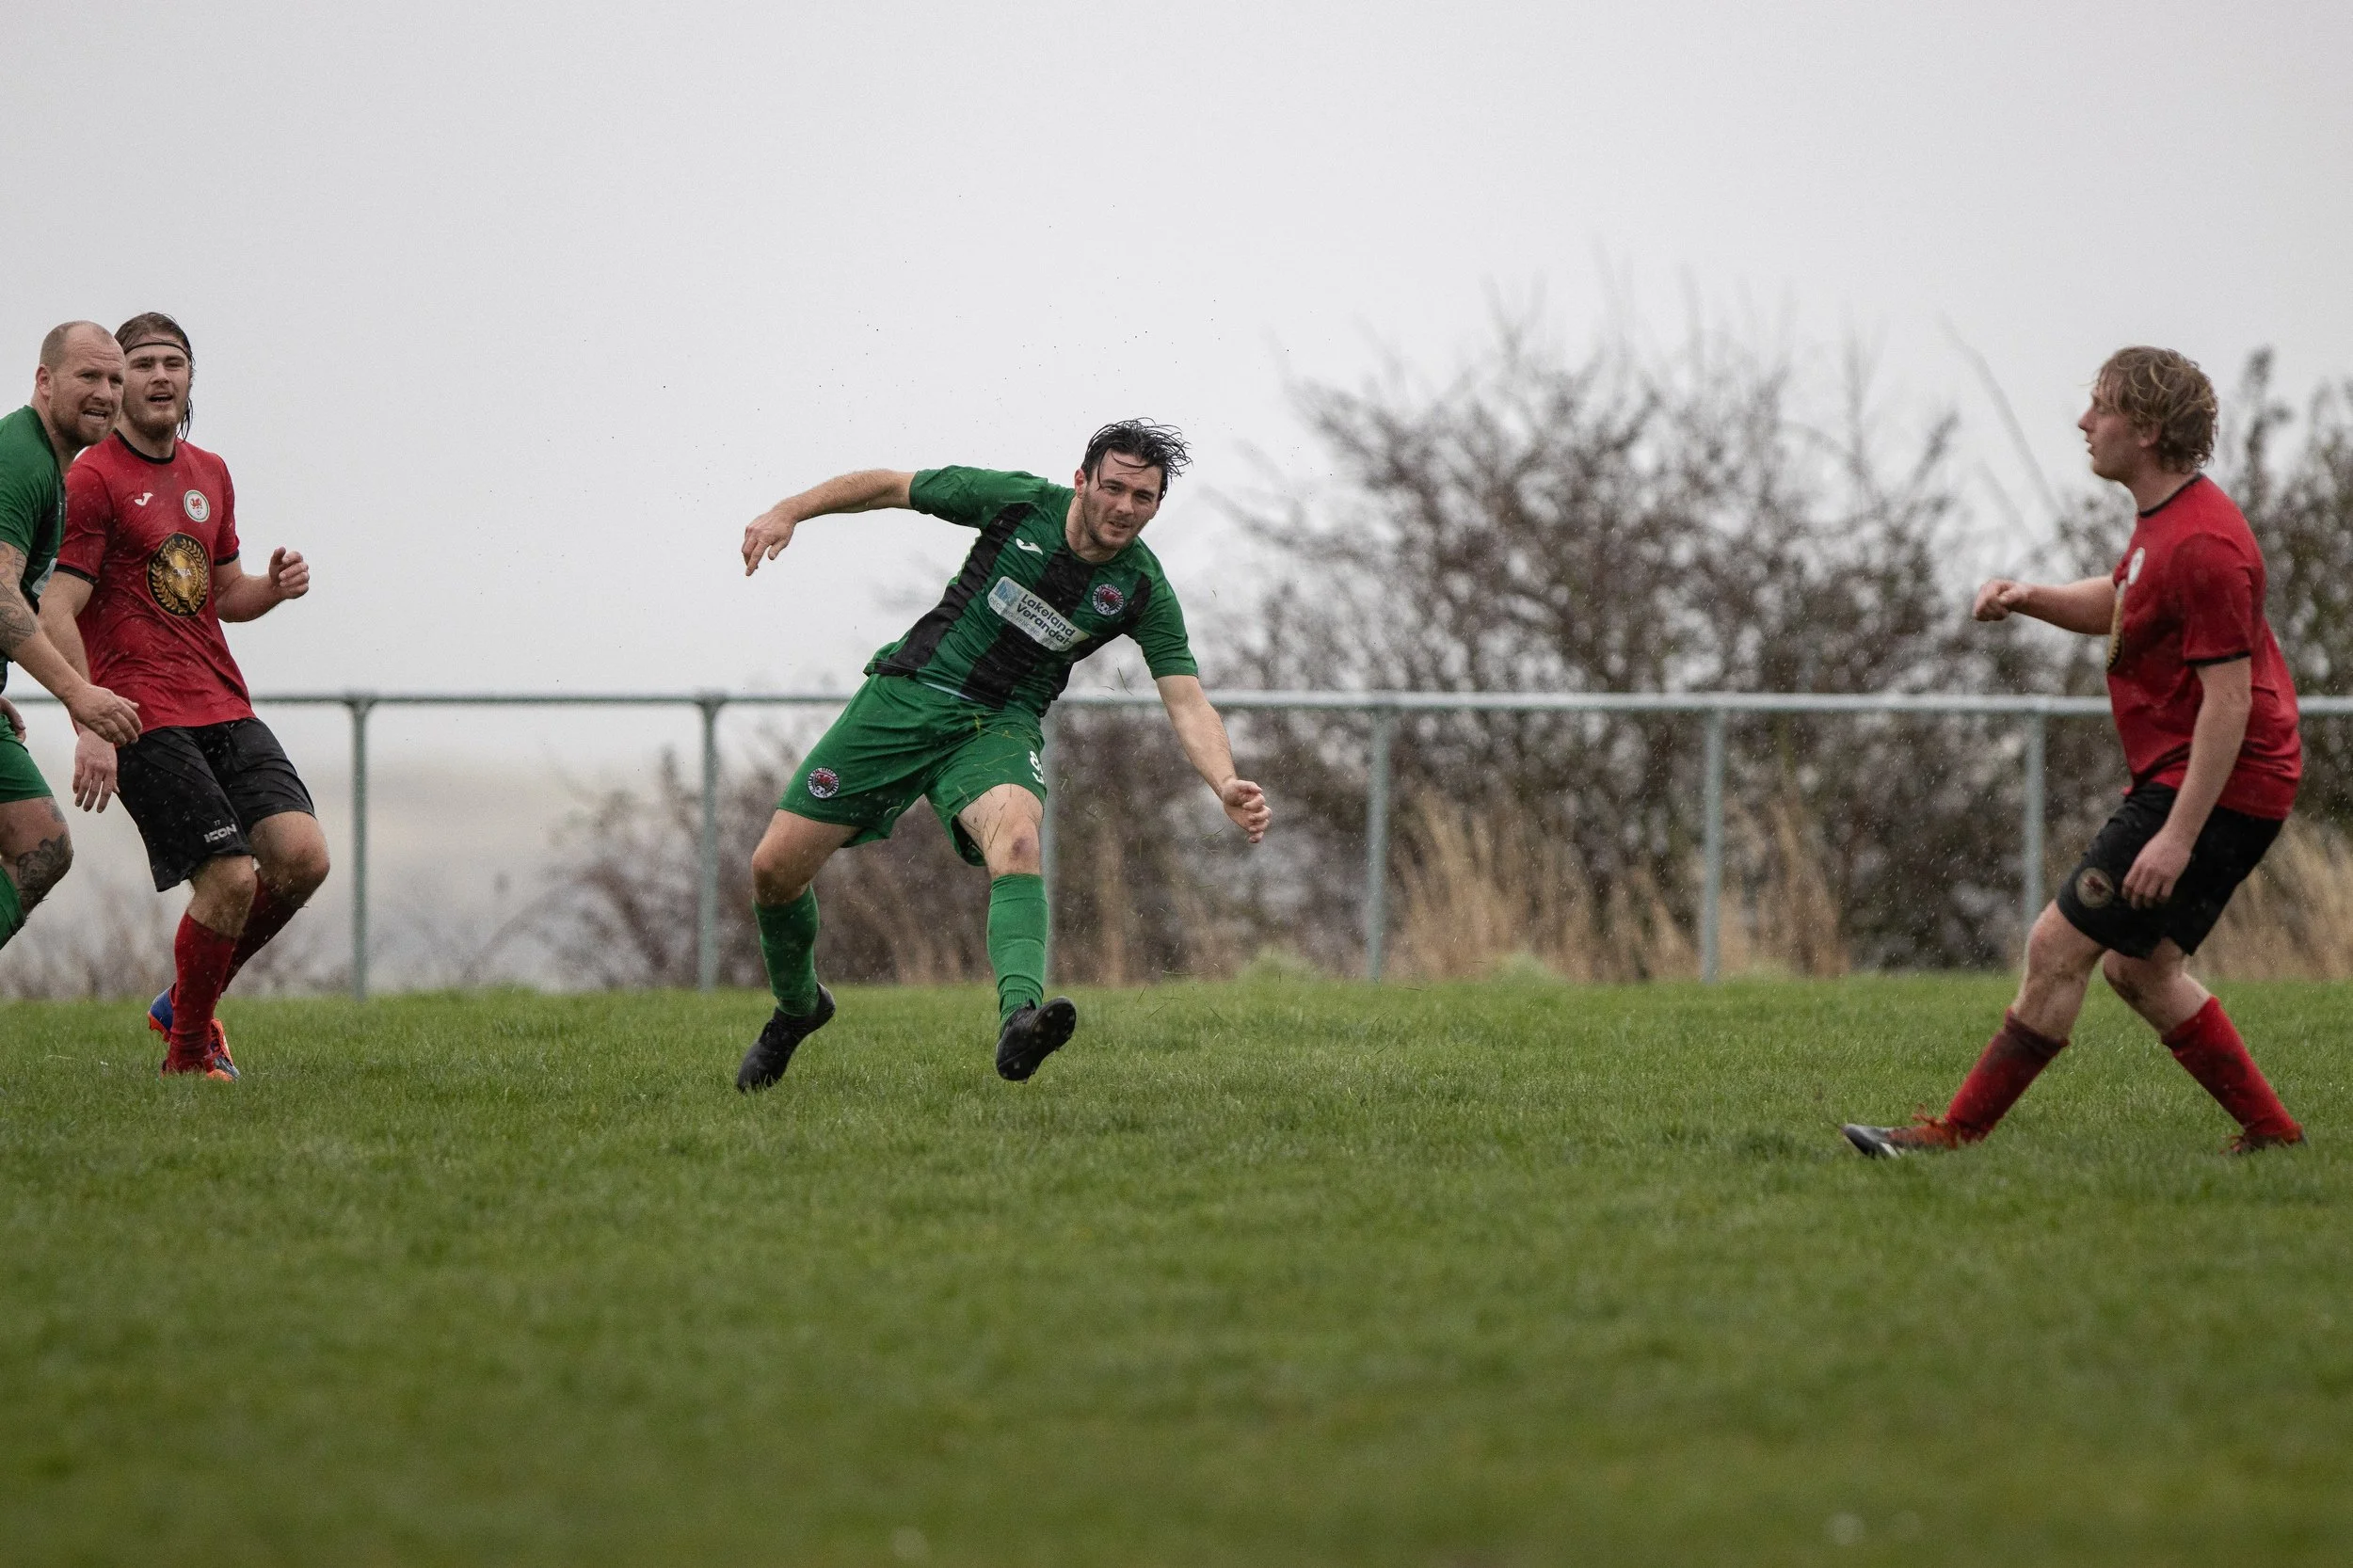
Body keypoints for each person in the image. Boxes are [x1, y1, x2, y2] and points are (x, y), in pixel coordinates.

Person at [1845, 347, 2304, 1157]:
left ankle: (1952, 1136)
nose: (2084, 422)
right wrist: (2029, 598)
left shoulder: (2206, 545)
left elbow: (2229, 704)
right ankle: (2271, 1133)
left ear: (2149, 428)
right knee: (2140, 971)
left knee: (2058, 946)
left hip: (2216, 782)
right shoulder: (2166, 524)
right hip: (2213, 778)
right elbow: (2125, 597)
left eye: (2102, 408)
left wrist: (2176, 835)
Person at [733, 420, 1271, 1091]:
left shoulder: (1141, 588)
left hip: (998, 728)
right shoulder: (1017, 503)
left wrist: (1223, 781)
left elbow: (1187, 702)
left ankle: (1020, 1019)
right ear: (1082, 481)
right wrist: (788, 512)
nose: (1125, 508)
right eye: (1114, 488)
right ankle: (798, 1009)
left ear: (1158, 505)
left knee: (1018, 841)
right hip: (905, 700)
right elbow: (891, 486)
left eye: (1144, 498)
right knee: (773, 872)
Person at [44, 313, 328, 1080]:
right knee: (230, 879)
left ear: (191, 378)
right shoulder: (93, 478)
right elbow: (55, 610)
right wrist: (90, 720)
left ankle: (184, 1007)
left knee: (301, 860)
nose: (160, 376)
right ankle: (188, 1059)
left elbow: (223, 593)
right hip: (141, 715)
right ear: (118, 382)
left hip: (224, 704)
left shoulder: (211, 472)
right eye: (142, 365)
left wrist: (272, 588)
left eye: (174, 362)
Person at [0, 325, 145, 958]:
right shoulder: (22, 459)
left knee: (42, 845)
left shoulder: (55, 471)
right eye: (89, 376)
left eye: (115, 380)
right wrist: (79, 696)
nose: (106, 392)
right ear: (44, 381)